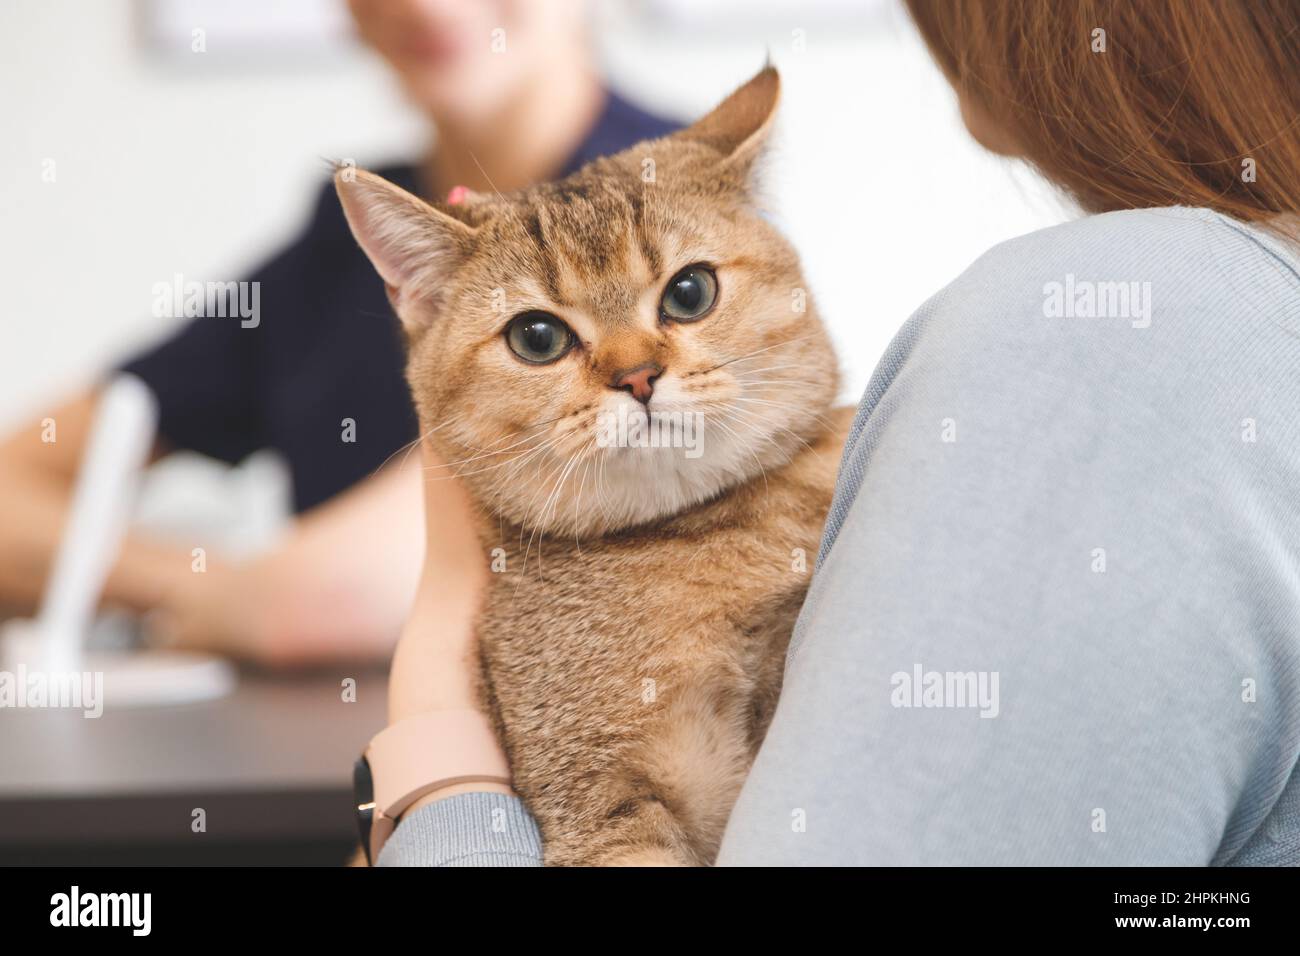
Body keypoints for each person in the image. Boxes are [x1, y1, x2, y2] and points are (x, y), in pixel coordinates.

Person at [377, 0, 1300, 865]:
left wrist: (433, 747)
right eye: (542, 339)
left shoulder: (1118, 316)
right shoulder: (1233, 307)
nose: (635, 370)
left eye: (687, 296)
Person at [0, 0, 677, 664]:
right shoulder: (353, 236)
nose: (427, 7)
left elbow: (321, 606)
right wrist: (208, 591)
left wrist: (227, 599)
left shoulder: (684, 214)